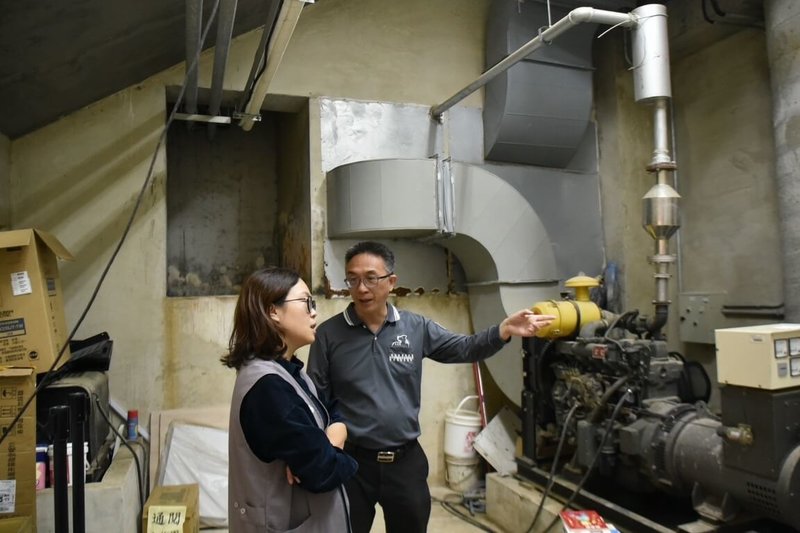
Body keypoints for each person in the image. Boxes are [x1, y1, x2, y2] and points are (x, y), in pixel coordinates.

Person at [307, 241, 556, 533]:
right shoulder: (328, 335)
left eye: (371, 278)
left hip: (405, 463)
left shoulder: (416, 328)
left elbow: (465, 347)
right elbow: (315, 399)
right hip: (352, 463)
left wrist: (503, 330)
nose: (361, 288)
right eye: (353, 279)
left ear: (391, 282)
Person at [222, 267, 358, 533]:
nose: (314, 312)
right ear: (273, 311)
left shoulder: (290, 371)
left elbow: (332, 413)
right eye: (306, 302)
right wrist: (332, 451)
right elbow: (324, 470)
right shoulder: (267, 387)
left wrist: (331, 438)